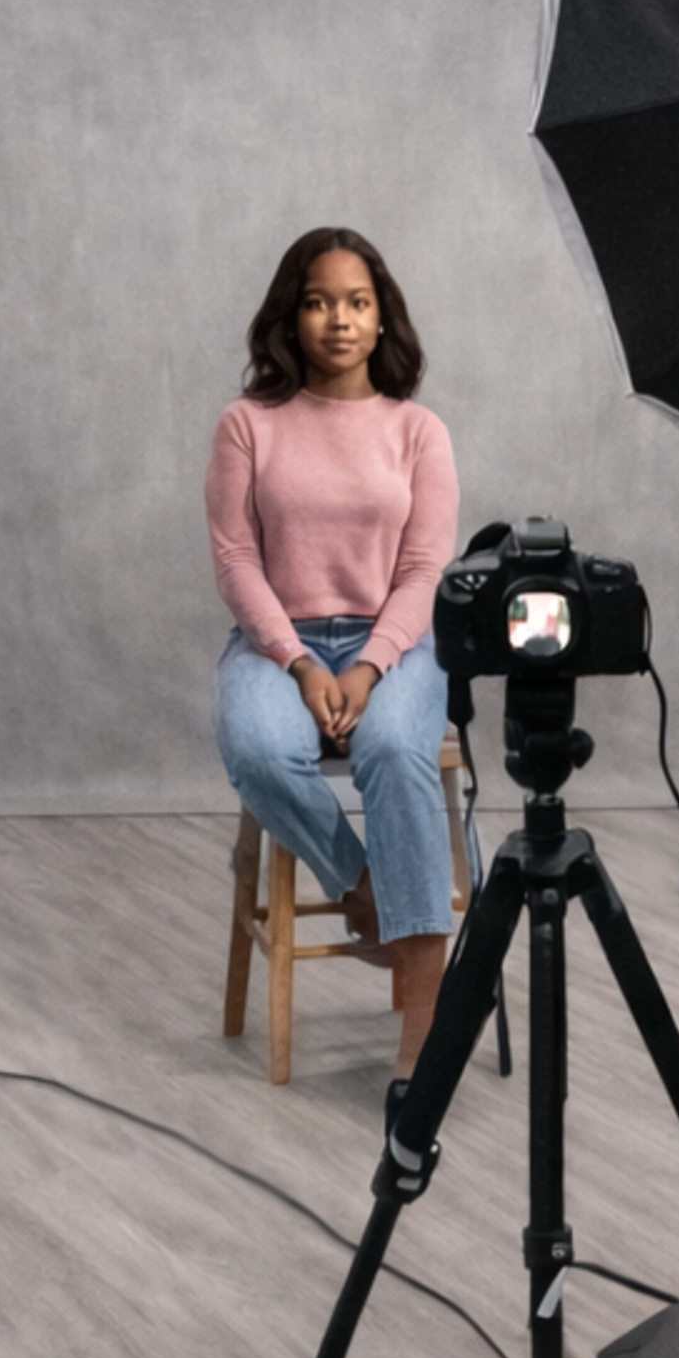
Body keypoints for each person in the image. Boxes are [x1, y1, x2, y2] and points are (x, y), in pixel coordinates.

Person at [207, 227, 460, 1084]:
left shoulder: (417, 430)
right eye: (318, 302)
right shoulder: (248, 425)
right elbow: (237, 561)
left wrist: (367, 665)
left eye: (357, 303)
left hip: (398, 643)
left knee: (393, 747)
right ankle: (365, 892)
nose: (338, 321)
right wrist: (301, 662)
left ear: (382, 318)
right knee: (255, 747)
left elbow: (425, 570)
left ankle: (423, 1026)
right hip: (278, 643)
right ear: (292, 315)